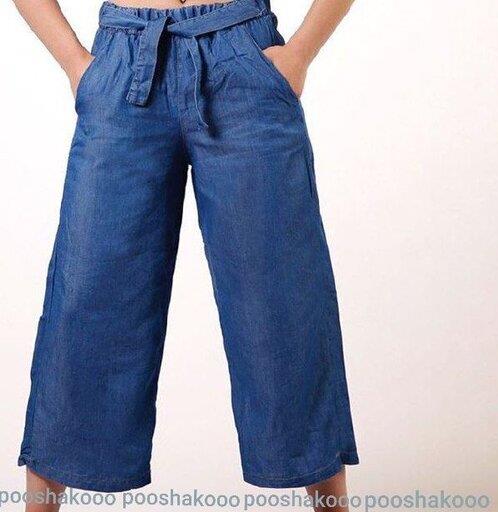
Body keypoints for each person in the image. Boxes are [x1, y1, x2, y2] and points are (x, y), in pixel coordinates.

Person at [13, 0, 358, 510]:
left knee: (281, 298)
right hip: (124, 64)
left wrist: (299, 55)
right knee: (86, 297)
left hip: (243, 63)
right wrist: (73, 62)